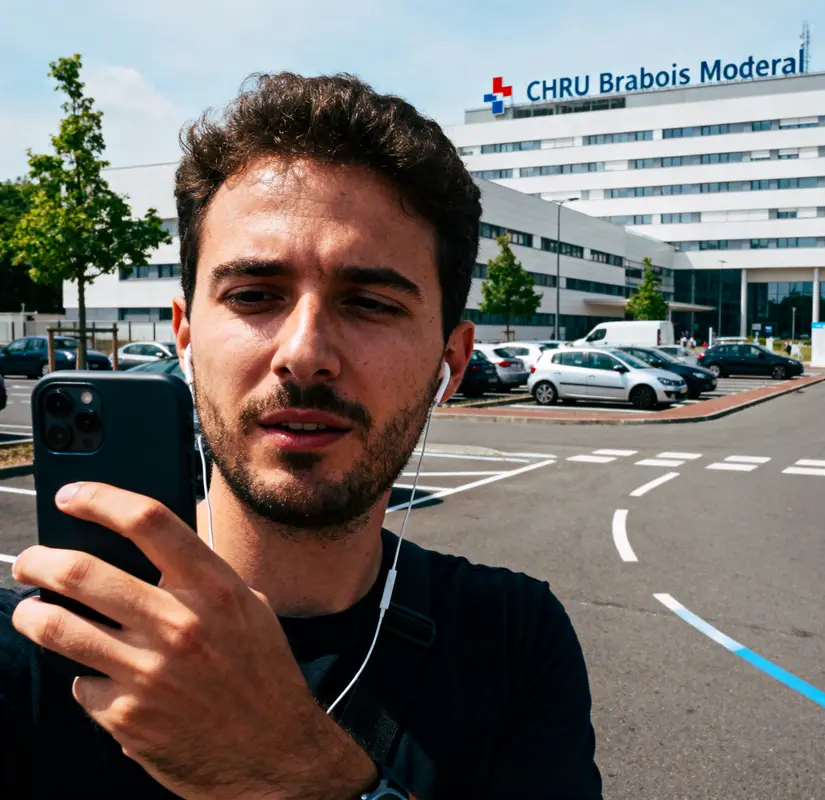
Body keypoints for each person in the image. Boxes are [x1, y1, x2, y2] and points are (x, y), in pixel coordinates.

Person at [0, 73, 602, 799]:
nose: (304, 352)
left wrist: (298, 773)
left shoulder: (511, 641)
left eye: (371, 303)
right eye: (254, 295)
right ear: (185, 337)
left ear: (452, 359)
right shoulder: (35, 645)